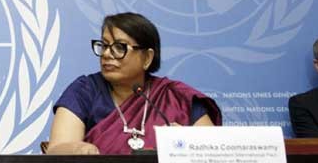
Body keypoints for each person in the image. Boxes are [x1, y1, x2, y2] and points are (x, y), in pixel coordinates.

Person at [48, 12, 221, 155]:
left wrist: (188, 143)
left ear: (147, 58)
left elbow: (215, 151)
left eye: (119, 47)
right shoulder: (84, 90)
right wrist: (80, 149)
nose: (107, 54)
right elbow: (57, 149)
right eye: (104, 45)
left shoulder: (175, 96)